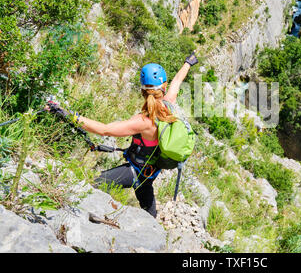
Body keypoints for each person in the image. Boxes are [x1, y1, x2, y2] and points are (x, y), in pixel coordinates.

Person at [46, 53, 198, 217]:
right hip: (151, 171)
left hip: (135, 171)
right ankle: (153, 226)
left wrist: (66, 113)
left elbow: (104, 129)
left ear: (142, 90)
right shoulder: (169, 104)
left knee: (94, 184)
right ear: (164, 86)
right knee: (148, 205)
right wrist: (188, 63)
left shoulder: (143, 121)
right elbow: (177, 82)